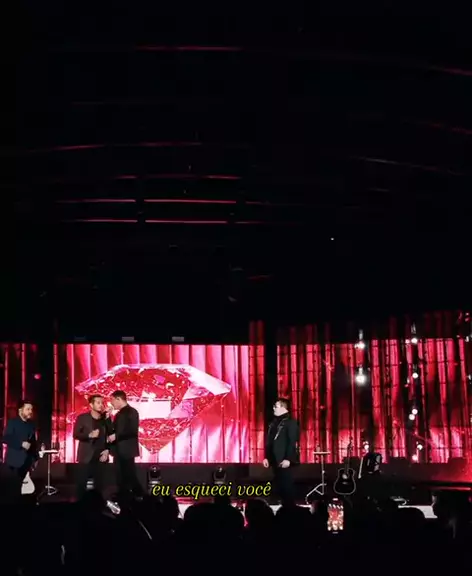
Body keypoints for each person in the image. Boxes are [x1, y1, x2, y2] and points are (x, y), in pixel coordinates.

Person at [73, 394, 113, 501]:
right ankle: (80, 506)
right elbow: (76, 434)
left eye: (102, 403)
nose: (101, 405)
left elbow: (111, 437)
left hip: (101, 456)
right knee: (81, 484)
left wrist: (107, 450)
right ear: (91, 405)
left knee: (101, 485)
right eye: (98, 403)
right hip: (86, 456)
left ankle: (100, 506)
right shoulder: (82, 418)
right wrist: (89, 435)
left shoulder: (106, 419)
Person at [263, 398, 299, 505]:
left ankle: (288, 505)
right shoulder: (273, 424)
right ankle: (277, 504)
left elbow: (292, 442)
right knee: (278, 482)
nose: (274, 408)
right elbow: (269, 442)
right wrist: (267, 457)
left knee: (286, 484)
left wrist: (288, 459)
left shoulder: (291, 422)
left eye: (276, 406)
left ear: (284, 408)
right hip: (275, 459)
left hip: (285, 459)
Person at [108, 390, 143, 501]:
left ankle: (141, 496)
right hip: (118, 450)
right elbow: (114, 429)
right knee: (120, 476)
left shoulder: (132, 412)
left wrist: (116, 436)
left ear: (118, 399)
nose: (111, 403)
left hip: (127, 450)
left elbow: (132, 430)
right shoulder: (118, 414)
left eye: (112, 400)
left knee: (129, 475)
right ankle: (124, 497)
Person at [1, 400, 38, 502]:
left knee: (25, 495)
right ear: (20, 410)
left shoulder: (31, 425)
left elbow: (33, 443)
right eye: (28, 409)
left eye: (31, 409)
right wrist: (21, 444)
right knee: (14, 492)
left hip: (27, 462)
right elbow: (6, 438)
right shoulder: (12, 423)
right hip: (14, 463)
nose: (30, 411)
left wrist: (35, 458)